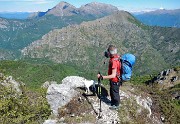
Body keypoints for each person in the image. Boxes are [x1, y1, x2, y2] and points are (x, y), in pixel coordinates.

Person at [97, 44, 121, 110]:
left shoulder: (114, 62)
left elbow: (113, 75)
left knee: (115, 93)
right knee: (112, 92)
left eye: (108, 52)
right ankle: (113, 103)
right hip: (114, 80)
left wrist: (102, 77)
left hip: (115, 80)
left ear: (110, 53)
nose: (107, 53)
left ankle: (116, 105)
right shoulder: (116, 57)